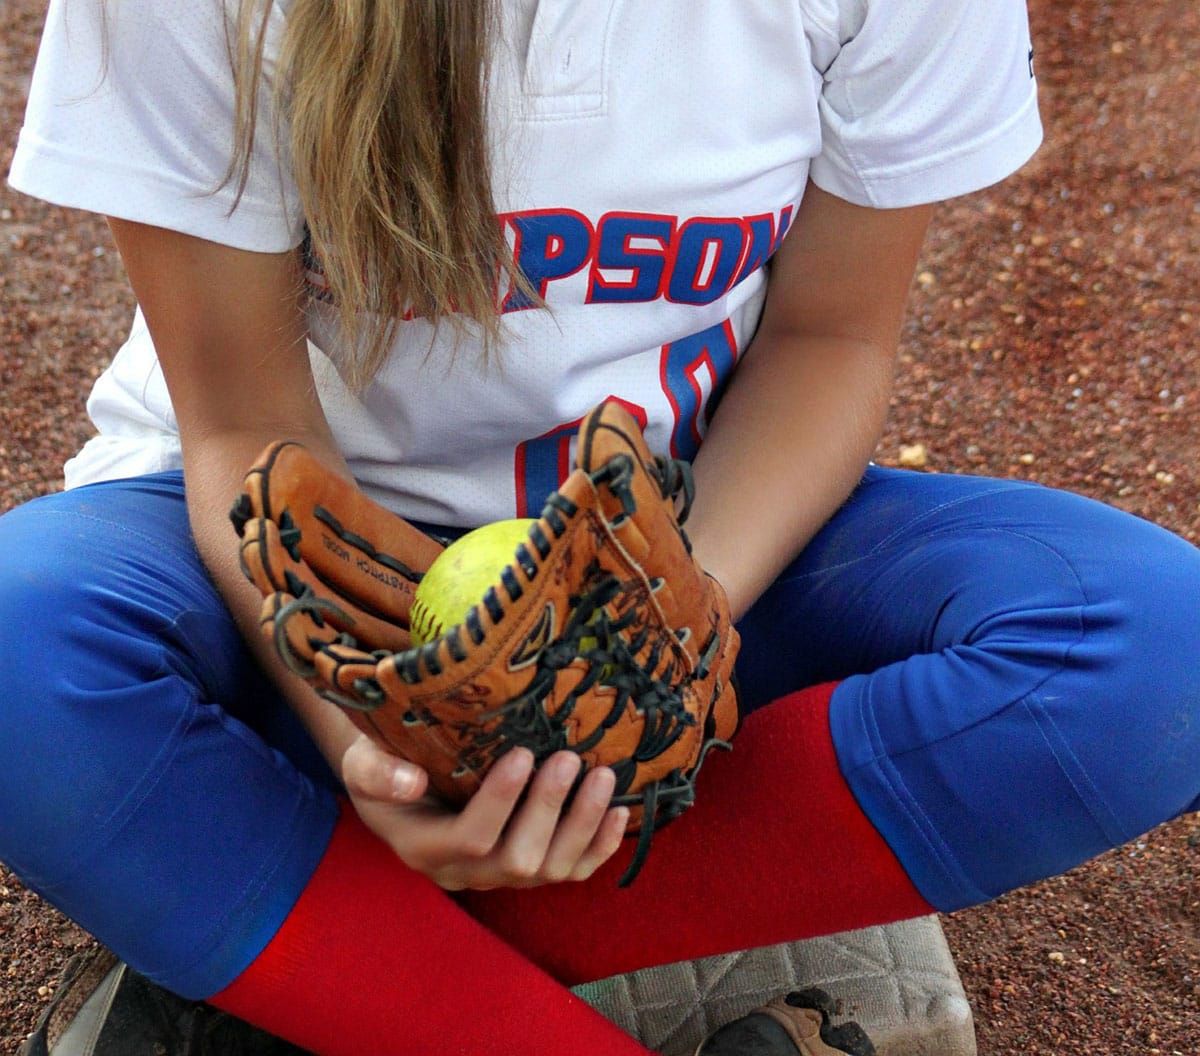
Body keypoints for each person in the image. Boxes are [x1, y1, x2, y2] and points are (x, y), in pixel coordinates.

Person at [3, 1, 1198, 1054]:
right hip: (289, 610)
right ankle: (346, 939)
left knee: (1159, 651)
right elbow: (244, 430)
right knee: (17, 652)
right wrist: (371, 740)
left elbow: (830, 340)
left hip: (688, 537)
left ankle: (311, 941)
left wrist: (654, 639)